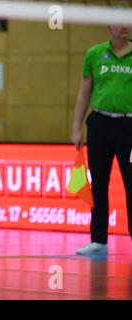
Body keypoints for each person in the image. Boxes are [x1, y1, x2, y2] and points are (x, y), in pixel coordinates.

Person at [73, 24, 132, 255]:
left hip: (129, 127)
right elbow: (84, 92)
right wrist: (76, 127)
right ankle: (98, 239)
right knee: (98, 183)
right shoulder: (94, 54)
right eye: (120, 22)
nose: (126, 26)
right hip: (100, 125)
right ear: (109, 26)